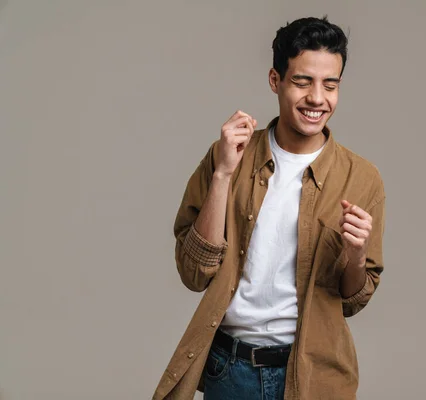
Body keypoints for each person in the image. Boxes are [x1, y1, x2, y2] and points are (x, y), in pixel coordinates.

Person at [153, 16, 386, 400]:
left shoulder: (362, 178)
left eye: (330, 85)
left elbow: (352, 301)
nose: (317, 98)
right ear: (275, 80)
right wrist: (224, 174)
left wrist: (357, 254)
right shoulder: (229, 155)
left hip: (313, 375)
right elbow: (194, 272)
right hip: (229, 371)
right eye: (302, 81)